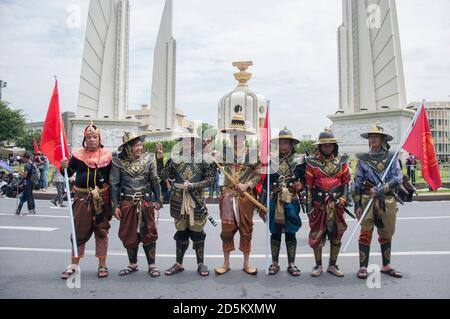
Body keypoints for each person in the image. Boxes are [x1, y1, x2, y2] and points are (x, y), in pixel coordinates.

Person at [156, 128, 216, 276]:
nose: (187, 142)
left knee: (198, 233)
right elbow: (163, 175)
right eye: (185, 139)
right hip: (178, 198)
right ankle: (178, 264)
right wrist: (158, 159)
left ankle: (201, 263)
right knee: (181, 232)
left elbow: (211, 180)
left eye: (191, 139)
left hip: (196, 199)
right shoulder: (174, 158)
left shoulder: (204, 158)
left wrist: (194, 185)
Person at [59, 122, 113, 279]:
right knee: (78, 232)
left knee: (101, 232)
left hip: (102, 199)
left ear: (99, 138)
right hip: (82, 199)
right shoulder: (77, 156)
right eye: (88, 137)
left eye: (94, 137)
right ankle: (74, 265)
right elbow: (67, 174)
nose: (91, 140)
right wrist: (62, 167)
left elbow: (114, 180)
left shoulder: (108, 156)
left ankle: (102, 265)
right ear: (85, 139)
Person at [214, 114, 263, 276]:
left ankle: (246, 263)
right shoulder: (222, 154)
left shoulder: (253, 153)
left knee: (246, 230)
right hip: (228, 197)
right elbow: (211, 167)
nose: (236, 138)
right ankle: (226, 263)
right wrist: (208, 154)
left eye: (239, 135)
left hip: (245, 198)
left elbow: (258, 175)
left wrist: (247, 184)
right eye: (233, 135)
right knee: (226, 231)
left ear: (244, 136)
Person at [353, 123, 403, 279]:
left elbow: (398, 178)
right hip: (367, 199)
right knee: (365, 232)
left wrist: (382, 189)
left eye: (376, 136)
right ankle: (363, 266)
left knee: (386, 233)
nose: (373, 139)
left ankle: (386, 265)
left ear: (382, 139)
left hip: (386, 199)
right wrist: (356, 204)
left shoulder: (391, 157)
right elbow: (357, 181)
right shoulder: (363, 159)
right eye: (371, 136)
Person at [110, 131, 162, 278]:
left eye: (140, 144)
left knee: (149, 232)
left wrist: (158, 200)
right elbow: (114, 185)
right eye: (136, 145)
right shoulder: (118, 162)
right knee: (129, 234)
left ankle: (152, 265)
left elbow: (155, 180)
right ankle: (132, 264)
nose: (139, 148)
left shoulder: (149, 159)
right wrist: (115, 207)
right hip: (127, 203)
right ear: (128, 148)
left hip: (145, 202)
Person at [259, 127, 306, 276]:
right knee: (275, 232)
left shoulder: (300, 160)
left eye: (286, 143)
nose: (283, 146)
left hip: (291, 200)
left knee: (291, 232)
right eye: (281, 143)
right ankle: (274, 263)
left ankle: (291, 264)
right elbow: (266, 184)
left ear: (292, 144)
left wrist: (301, 185)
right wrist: (262, 205)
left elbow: (305, 180)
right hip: (274, 200)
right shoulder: (272, 161)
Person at [305, 131, 350, 277]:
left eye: (329, 145)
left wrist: (344, 198)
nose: (326, 147)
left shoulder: (342, 162)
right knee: (317, 233)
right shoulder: (312, 163)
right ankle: (318, 265)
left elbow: (346, 182)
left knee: (337, 233)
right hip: (319, 204)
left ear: (334, 146)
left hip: (337, 204)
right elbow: (309, 186)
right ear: (319, 146)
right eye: (323, 145)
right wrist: (309, 206)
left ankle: (333, 265)